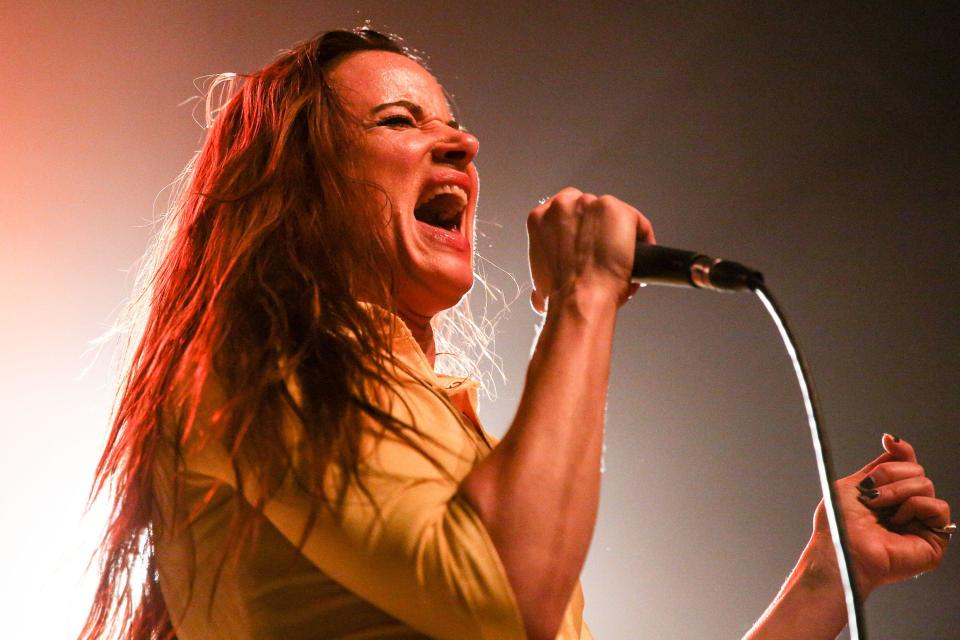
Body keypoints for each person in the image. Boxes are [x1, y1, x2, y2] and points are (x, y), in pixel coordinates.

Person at [80, 28, 952, 640]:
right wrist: (583, 297)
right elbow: (508, 594)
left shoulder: (434, 426)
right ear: (296, 187)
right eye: (399, 121)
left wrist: (823, 583)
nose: (462, 142)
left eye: (451, 121)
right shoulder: (257, 365)